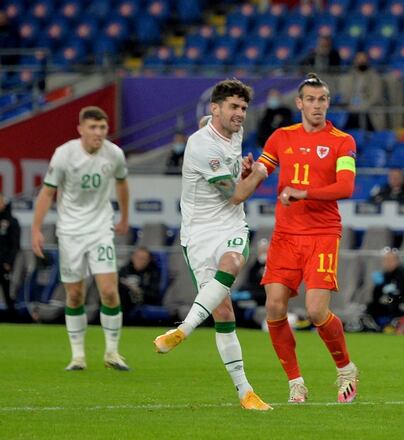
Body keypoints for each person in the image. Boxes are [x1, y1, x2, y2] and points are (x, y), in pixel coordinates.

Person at [152, 79, 271, 411]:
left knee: (233, 263)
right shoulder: (203, 146)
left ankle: (184, 330)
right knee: (223, 311)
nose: (239, 114)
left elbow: (234, 187)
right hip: (199, 233)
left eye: (243, 108)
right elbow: (235, 193)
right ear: (214, 108)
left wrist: (243, 169)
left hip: (231, 226)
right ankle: (244, 391)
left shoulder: (232, 132)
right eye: (233, 107)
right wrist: (259, 173)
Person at [257, 73, 360, 403]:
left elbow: (346, 187)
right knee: (274, 306)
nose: (317, 105)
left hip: (322, 234)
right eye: (311, 100)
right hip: (285, 234)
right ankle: (295, 382)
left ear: (328, 103)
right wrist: (247, 172)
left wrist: (303, 194)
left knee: (316, 311)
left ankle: (345, 368)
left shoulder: (343, 141)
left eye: (322, 100)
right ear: (299, 103)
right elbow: (261, 171)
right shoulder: (280, 137)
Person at [31, 106, 131, 371]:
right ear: (81, 129)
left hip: (100, 229)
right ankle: (77, 357)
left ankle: (112, 352)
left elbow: (122, 183)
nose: (98, 133)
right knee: (74, 294)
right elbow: (47, 192)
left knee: (109, 291)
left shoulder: (115, 154)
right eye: (93, 128)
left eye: (102, 128)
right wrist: (36, 228)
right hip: (71, 231)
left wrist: (123, 217)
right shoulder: (64, 154)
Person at [367, 247, 404, 330]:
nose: (388, 263)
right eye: (386, 260)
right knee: (371, 306)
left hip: (400, 302)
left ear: (397, 261)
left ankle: (393, 325)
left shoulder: (401, 273)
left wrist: (391, 292)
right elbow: (376, 296)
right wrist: (378, 286)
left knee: (392, 301)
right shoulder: (384, 275)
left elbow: (403, 291)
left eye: (391, 260)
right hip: (387, 302)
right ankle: (375, 326)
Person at [340, 52, 386, 131]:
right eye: (359, 59)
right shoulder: (349, 76)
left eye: (363, 59)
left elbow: (376, 97)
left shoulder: (374, 77)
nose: (361, 61)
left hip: (369, 110)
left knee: (361, 115)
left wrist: (364, 106)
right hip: (352, 108)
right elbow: (345, 94)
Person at [118, 247, 161, 313]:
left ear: (149, 260)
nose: (140, 261)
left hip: (141, 301)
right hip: (123, 299)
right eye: (137, 257)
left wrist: (138, 290)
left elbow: (154, 294)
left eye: (143, 259)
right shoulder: (125, 270)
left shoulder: (153, 273)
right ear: (132, 257)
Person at [0, 192, 20, 313]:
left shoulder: (11, 221)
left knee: (8, 291)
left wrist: (9, 262)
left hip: (4, 264)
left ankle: (12, 315)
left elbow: (15, 245)